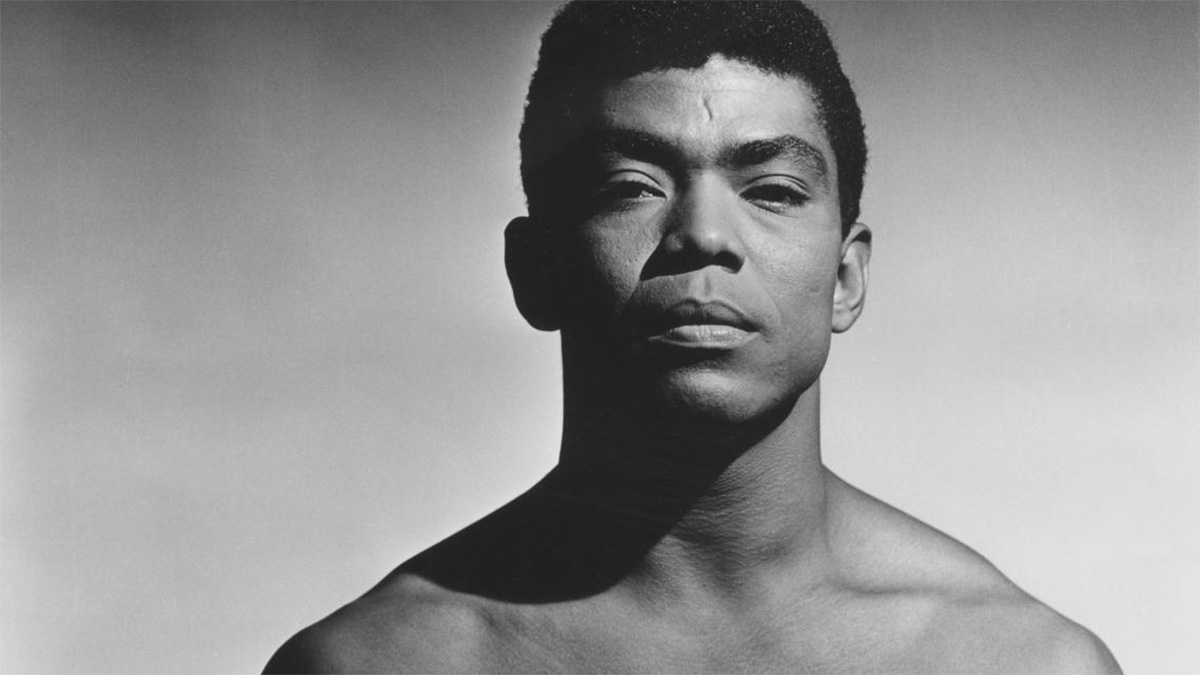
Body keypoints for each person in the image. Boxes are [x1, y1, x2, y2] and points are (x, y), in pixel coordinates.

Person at [265, 2, 1121, 672]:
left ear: (848, 277)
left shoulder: (1016, 662)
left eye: (775, 189)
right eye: (630, 185)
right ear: (538, 270)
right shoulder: (376, 663)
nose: (704, 234)